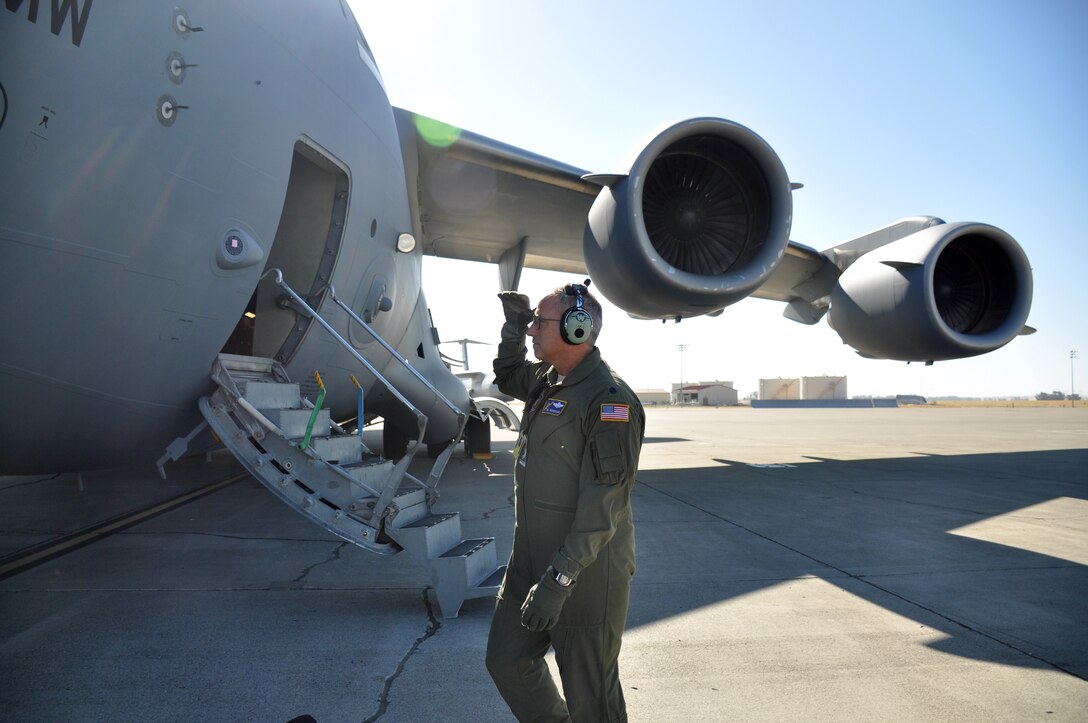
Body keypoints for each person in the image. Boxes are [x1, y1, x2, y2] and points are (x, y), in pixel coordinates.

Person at [485, 282, 645, 723]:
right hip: (529, 559)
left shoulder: (609, 400)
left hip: (586, 572)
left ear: (579, 330)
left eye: (539, 321)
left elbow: (603, 509)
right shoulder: (546, 380)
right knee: (507, 662)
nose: (533, 328)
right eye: (531, 321)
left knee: (591, 694)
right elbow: (506, 372)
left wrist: (559, 581)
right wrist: (513, 327)